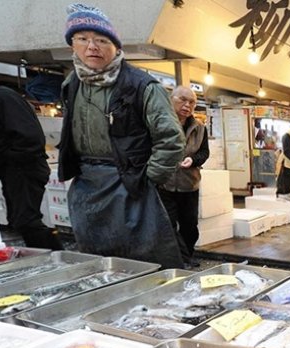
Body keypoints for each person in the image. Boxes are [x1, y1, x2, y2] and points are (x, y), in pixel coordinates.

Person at [57, 4, 185, 269]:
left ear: (116, 46)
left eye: (101, 40)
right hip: (86, 183)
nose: (92, 47)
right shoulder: (71, 83)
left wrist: (149, 178)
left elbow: (171, 138)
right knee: (97, 262)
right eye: (82, 39)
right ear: (72, 45)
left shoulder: (141, 85)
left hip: (129, 183)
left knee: (144, 259)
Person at [0, 56, 63, 250]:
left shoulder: (2, 97)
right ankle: (49, 259)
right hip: (12, 170)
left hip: (24, 168)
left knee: (27, 220)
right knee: (21, 220)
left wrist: (0, 157)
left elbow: (30, 138)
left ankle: (57, 258)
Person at [158, 86, 209, 269]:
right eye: (182, 100)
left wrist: (193, 160)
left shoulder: (200, 128)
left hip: (189, 185)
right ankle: (180, 260)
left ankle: (187, 255)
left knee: (190, 227)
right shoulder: (160, 124)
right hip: (165, 184)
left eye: (192, 102)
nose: (187, 105)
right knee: (169, 226)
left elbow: (204, 153)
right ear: (171, 99)